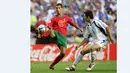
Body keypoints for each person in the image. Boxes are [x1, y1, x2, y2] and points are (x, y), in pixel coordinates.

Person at [36, 2, 82, 70]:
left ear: (62, 9)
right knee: (52, 32)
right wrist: (51, 31)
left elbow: (73, 23)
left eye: (59, 8)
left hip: (62, 37)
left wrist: (79, 28)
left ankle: (51, 65)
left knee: (63, 53)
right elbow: (49, 25)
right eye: (56, 8)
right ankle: (41, 34)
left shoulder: (66, 18)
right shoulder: (53, 18)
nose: (58, 9)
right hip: (56, 34)